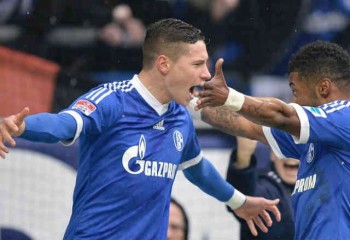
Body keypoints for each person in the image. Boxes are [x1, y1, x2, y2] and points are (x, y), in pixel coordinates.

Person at [0, 18, 281, 239]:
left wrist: (238, 201)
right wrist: (21, 126)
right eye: (197, 64)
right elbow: (64, 124)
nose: (206, 74)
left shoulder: (180, 118)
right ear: (163, 64)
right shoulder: (112, 100)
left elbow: (196, 168)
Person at [194, 40, 350, 240]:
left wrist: (229, 97)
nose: (293, 101)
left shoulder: (345, 116)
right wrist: (193, 100)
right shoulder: (315, 139)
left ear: (323, 88)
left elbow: (282, 115)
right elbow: (245, 125)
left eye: (295, 91)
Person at [227, 136, 298, 239]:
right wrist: (244, 156)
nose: (291, 156)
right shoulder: (267, 186)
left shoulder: (315, 187)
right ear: (272, 155)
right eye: (284, 148)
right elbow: (242, 198)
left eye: (298, 150)